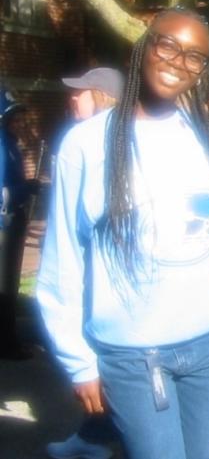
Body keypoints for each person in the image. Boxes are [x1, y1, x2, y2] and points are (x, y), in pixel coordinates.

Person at [36, 8, 209, 459]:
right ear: (142, 46)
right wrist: (79, 363)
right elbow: (62, 262)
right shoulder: (85, 145)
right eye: (167, 45)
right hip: (133, 356)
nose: (178, 61)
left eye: (195, 56)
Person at [45, 67, 124, 459]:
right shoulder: (78, 144)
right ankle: (94, 436)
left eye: (82, 93)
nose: (72, 99)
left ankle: (96, 439)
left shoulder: (109, 144)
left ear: (103, 97)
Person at [0, 90, 28, 361]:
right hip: (4, 225)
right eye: (13, 117)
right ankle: (7, 344)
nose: (20, 122)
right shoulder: (1, 144)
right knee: (5, 287)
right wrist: (23, 190)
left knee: (10, 285)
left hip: (12, 220)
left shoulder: (10, 143)